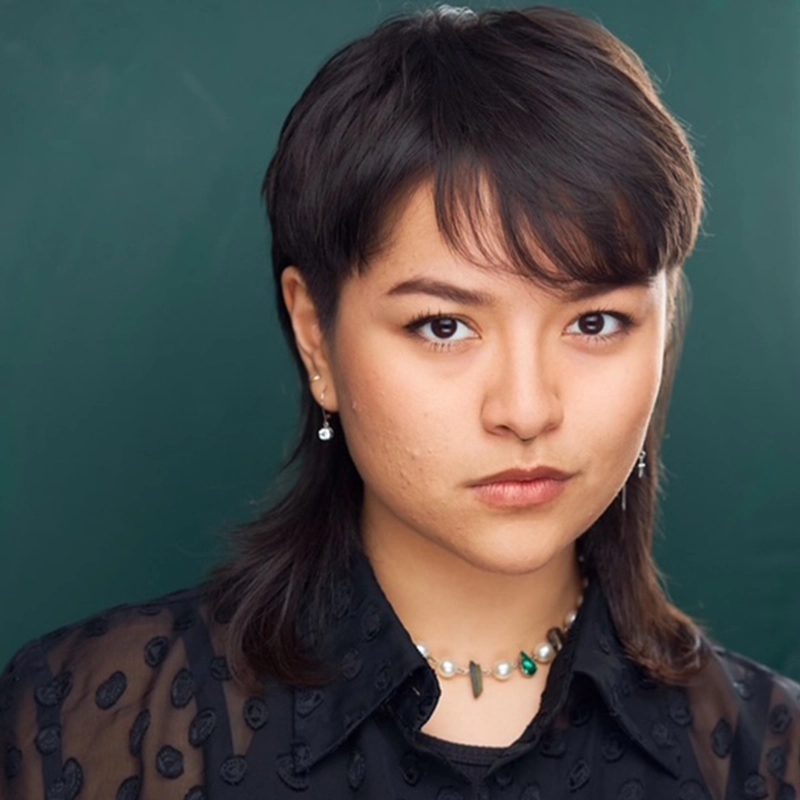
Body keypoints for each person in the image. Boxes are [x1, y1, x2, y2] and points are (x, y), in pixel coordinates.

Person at [2, 4, 798, 798]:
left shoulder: (769, 757)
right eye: (444, 325)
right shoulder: (90, 726)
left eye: (595, 322)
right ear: (317, 339)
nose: (526, 409)